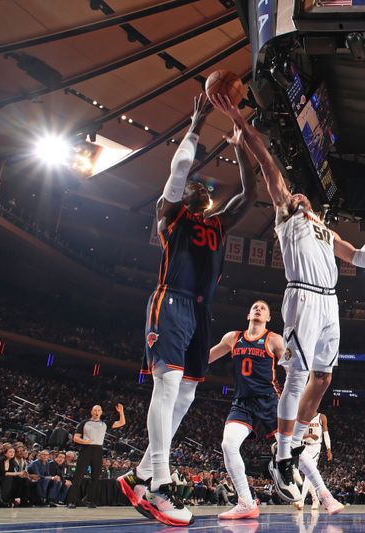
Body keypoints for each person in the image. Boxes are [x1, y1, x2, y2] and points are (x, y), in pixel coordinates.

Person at [211, 93, 365, 513]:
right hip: (303, 297)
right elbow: (270, 167)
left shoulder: (325, 231)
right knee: (296, 376)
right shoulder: (287, 215)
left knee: (323, 379)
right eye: (296, 195)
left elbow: (362, 259)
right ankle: (283, 455)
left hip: (330, 305)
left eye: (305, 197)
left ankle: (287, 451)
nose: (300, 198)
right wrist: (240, 120)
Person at [118, 94, 257, 528]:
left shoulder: (218, 223)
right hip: (171, 300)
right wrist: (195, 125)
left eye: (202, 186)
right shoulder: (171, 214)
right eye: (192, 184)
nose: (197, 184)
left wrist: (240, 145)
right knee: (168, 385)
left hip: (200, 312)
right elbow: (179, 170)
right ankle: (160, 485)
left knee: (188, 393)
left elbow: (251, 192)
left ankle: (139, 474)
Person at [208, 299, 285, 520]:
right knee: (228, 445)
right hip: (242, 402)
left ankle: (323, 493)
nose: (258, 309)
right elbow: (208, 357)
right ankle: (246, 502)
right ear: (248, 315)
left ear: (269, 318)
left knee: (290, 447)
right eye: (254, 307)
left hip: (269, 401)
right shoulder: (233, 337)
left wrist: (294, 398)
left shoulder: (274, 339)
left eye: (263, 308)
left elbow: (294, 369)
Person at [68, 404, 125, 509]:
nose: (97, 412)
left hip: (98, 450)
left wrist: (121, 412)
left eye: (99, 410)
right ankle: (72, 501)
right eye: (95, 410)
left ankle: (89, 500)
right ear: (91, 411)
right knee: (78, 476)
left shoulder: (104, 423)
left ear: (101, 412)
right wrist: (84, 441)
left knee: (95, 477)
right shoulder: (84, 423)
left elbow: (122, 422)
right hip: (86, 449)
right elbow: (75, 438)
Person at [294, 412, 333, 511]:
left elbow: (326, 434)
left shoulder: (321, 417)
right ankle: (315, 499)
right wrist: (309, 435)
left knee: (308, 474)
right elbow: (296, 434)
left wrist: (328, 449)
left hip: (315, 447)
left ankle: (301, 500)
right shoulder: (302, 416)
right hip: (303, 446)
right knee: (307, 473)